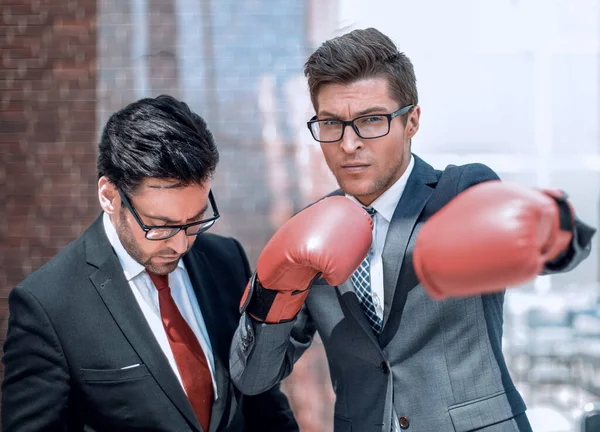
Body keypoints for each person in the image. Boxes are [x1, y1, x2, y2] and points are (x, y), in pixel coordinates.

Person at [229, 28, 596, 432]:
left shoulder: (460, 191)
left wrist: (547, 221)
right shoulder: (309, 234)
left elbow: (567, 251)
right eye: (331, 124)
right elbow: (254, 377)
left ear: (412, 121)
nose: (349, 144)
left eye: (371, 120)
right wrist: (272, 290)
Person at [1, 95, 299, 432]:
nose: (181, 244)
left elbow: (263, 404)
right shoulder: (47, 306)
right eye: (160, 226)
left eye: (195, 220)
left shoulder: (225, 260)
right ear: (110, 197)